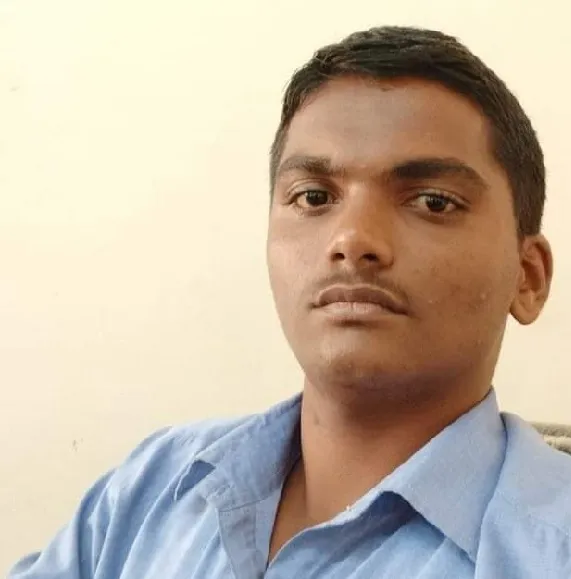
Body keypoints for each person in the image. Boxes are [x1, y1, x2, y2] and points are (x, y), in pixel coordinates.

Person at [9, 25, 571, 579]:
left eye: (433, 202)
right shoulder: (151, 490)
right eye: (314, 197)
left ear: (527, 278)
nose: (352, 239)